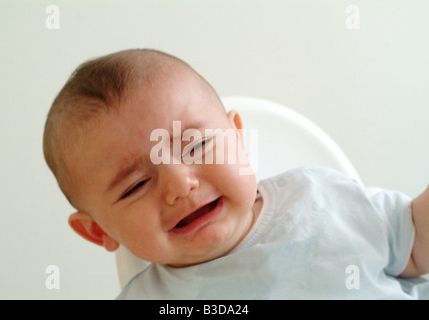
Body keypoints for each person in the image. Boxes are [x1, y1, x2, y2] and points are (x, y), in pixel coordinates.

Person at [43, 48, 429, 299]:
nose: (180, 184)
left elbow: (414, 246)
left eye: (196, 146)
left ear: (238, 139)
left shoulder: (319, 198)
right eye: (136, 185)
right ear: (99, 232)